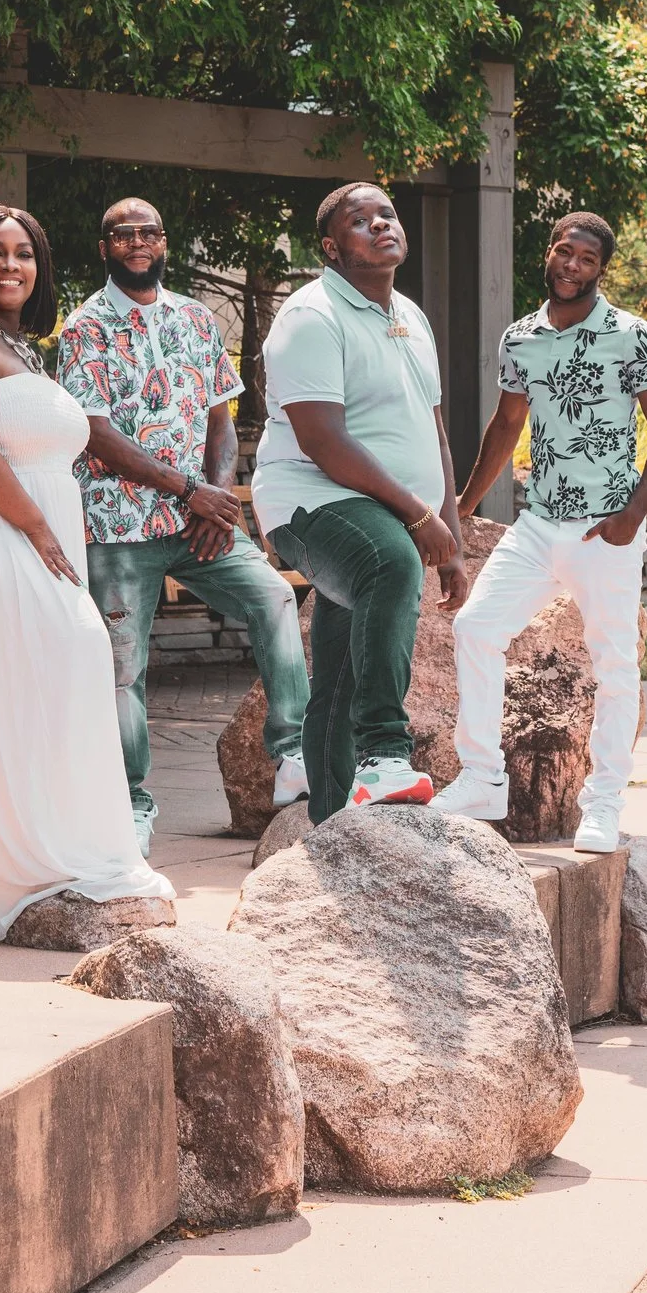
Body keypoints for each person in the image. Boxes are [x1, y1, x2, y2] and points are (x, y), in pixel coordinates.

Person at [0, 204, 174, 939]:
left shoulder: (20, 346)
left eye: (25, 254)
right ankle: (6, 866)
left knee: (45, 683)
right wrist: (36, 529)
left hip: (25, 532)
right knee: (43, 667)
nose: (11, 266)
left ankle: (49, 846)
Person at [56, 197, 311, 850]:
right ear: (105, 246)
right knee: (122, 669)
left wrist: (220, 500)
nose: (138, 242)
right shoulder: (83, 330)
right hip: (119, 528)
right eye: (123, 234)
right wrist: (190, 490)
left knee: (276, 597)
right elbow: (95, 434)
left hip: (201, 524)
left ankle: (292, 756)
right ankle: (131, 807)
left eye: (148, 232)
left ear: (165, 241)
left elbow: (220, 423)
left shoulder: (197, 319)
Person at [434, 211, 647, 854]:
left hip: (606, 530)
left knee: (615, 665)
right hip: (538, 524)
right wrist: (461, 508)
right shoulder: (520, 339)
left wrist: (632, 516)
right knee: (475, 628)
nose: (572, 266)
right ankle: (484, 777)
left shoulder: (632, 336)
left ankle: (603, 805)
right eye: (564, 252)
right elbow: (506, 427)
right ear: (549, 253)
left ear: (602, 269)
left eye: (587, 259)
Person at [252, 183, 469, 822]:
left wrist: (449, 535)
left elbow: (434, 436)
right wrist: (418, 518)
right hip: (309, 500)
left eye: (387, 215)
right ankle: (385, 755)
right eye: (359, 221)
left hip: (383, 508)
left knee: (341, 674)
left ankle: (331, 824)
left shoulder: (411, 316)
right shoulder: (311, 315)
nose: (380, 225)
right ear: (331, 247)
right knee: (391, 562)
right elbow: (323, 441)